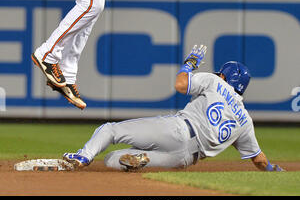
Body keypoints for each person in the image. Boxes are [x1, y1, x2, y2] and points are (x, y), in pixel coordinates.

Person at [63, 45, 285, 172]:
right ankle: (144, 159)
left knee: (110, 130)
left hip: (178, 129)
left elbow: (181, 84)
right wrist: (273, 170)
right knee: (114, 160)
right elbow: (259, 159)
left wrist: (189, 64)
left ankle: (83, 157)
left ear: (225, 77)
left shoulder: (215, 82)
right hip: (186, 158)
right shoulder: (245, 120)